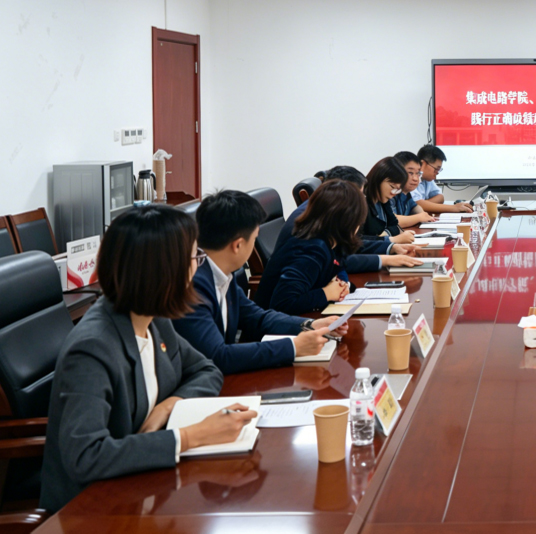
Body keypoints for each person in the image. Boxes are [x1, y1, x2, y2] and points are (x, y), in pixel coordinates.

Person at [41, 205, 254, 512]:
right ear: (164, 269)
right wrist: (190, 436)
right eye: (194, 258)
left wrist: (168, 406)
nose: (198, 267)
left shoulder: (154, 320)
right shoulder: (92, 347)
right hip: (93, 509)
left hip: (142, 488)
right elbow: (85, 456)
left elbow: (207, 369)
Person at [174, 190, 341, 375]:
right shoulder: (193, 286)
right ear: (238, 245)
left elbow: (258, 317)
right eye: (254, 239)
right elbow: (217, 356)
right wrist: (293, 347)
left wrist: (310, 324)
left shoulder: (220, 273)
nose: (254, 244)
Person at [279, 165, 420, 269]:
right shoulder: (319, 217)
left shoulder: (322, 208)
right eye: (359, 194)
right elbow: (338, 260)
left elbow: (348, 246)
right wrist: (385, 259)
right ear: (343, 190)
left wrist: (391, 247)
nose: (362, 199)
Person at [255, 179, 362, 315]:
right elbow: (282, 303)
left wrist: (343, 285)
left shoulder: (332, 239)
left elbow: (339, 265)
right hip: (272, 323)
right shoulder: (312, 248)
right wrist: (326, 293)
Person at [413, 145, 472, 214]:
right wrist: (455, 208)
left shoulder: (427, 179)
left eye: (439, 170)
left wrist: (424, 204)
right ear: (423, 164)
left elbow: (440, 197)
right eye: (436, 169)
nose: (437, 173)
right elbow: (416, 204)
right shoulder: (411, 179)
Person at [362, 157, 409, 239]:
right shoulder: (361, 203)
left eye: (397, 190)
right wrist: (389, 238)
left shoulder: (383, 200)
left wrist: (385, 234)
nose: (393, 193)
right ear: (378, 178)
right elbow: (360, 239)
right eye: (392, 187)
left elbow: (395, 225)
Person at [391, 151, 435, 228]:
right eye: (410, 173)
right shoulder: (390, 193)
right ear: (397, 171)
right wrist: (419, 217)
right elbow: (392, 221)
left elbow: (414, 207)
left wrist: (423, 215)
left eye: (418, 173)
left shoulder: (406, 193)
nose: (415, 179)